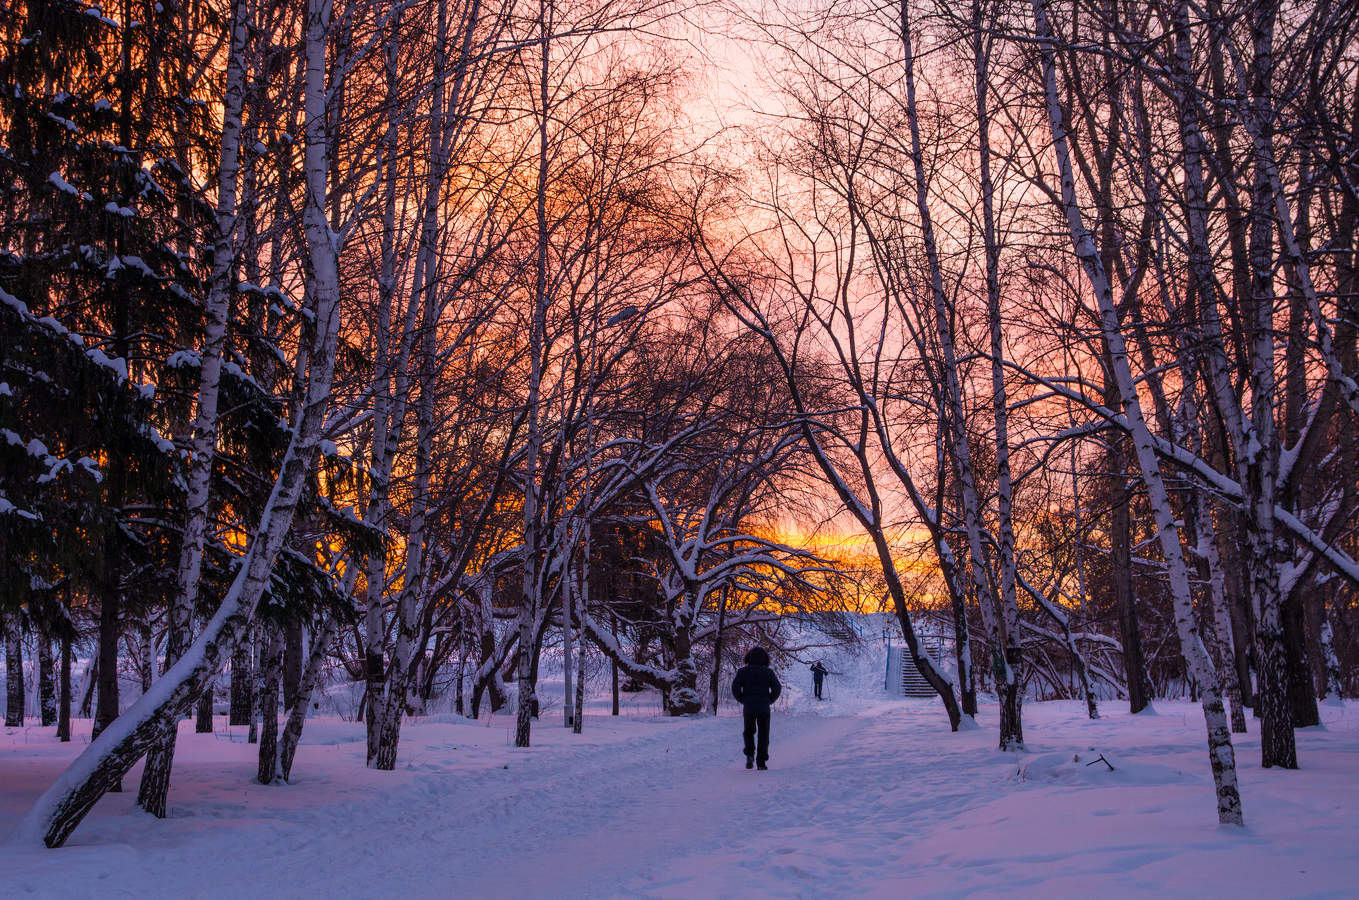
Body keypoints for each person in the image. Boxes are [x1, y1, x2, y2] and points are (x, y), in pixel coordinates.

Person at [731, 646, 781, 770]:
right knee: (763, 734)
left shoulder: (742, 672)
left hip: (749, 707)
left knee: (748, 732)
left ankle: (749, 754)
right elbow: (777, 688)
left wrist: (742, 699)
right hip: (764, 707)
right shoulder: (768, 672)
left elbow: (735, 688)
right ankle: (761, 762)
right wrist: (770, 700)